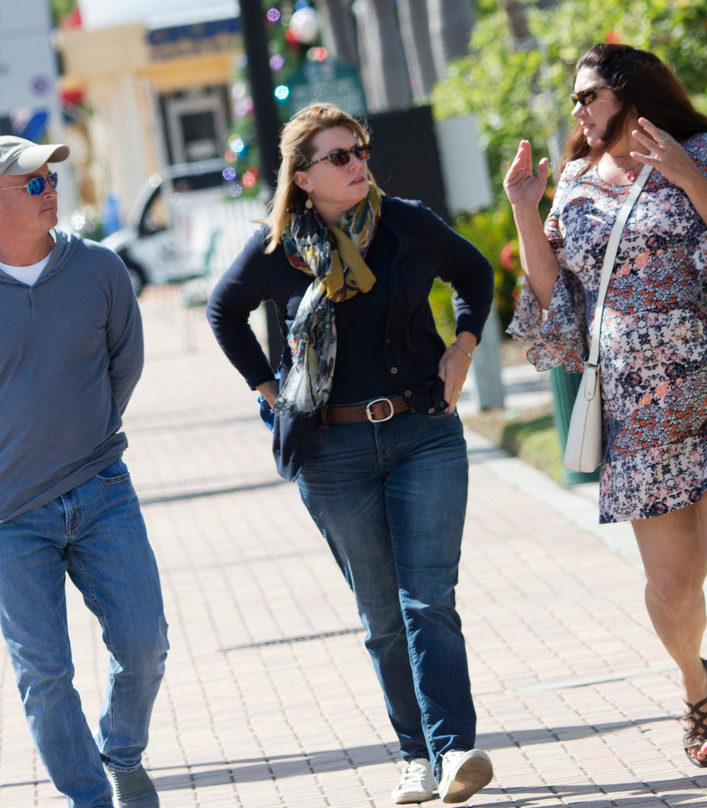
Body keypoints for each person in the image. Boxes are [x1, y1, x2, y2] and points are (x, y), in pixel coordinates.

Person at [207, 103, 495, 805]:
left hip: (421, 432)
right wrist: (267, 388)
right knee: (382, 614)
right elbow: (223, 311)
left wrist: (463, 346)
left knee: (428, 598)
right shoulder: (278, 248)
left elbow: (475, 272)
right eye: (339, 157)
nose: (358, 163)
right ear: (303, 178)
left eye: (359, 150)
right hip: (331, 448)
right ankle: (414, 755)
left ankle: (454, 748)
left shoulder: (407, 223)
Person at [0, 135, 168, 808]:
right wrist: (12, 450)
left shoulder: (100, 270)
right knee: (43, 672)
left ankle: (122, 750)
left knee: (146, 644)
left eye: (50, 175)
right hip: (10, 513)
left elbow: (126, 361)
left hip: (103, 488)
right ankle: (88, 797)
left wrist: (82, 431)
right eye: (32, 181)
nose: (49, 186)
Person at [504, 43, 707, 767]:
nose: (578, 111)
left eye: (588, 95)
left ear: (631, 93)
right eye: (574, 101)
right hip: (641, 408)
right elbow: (555, 299)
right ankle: (696, 686)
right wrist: (528, 210)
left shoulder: (700, 152)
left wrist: (688, 177)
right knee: (675, 587)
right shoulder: (577, 184)